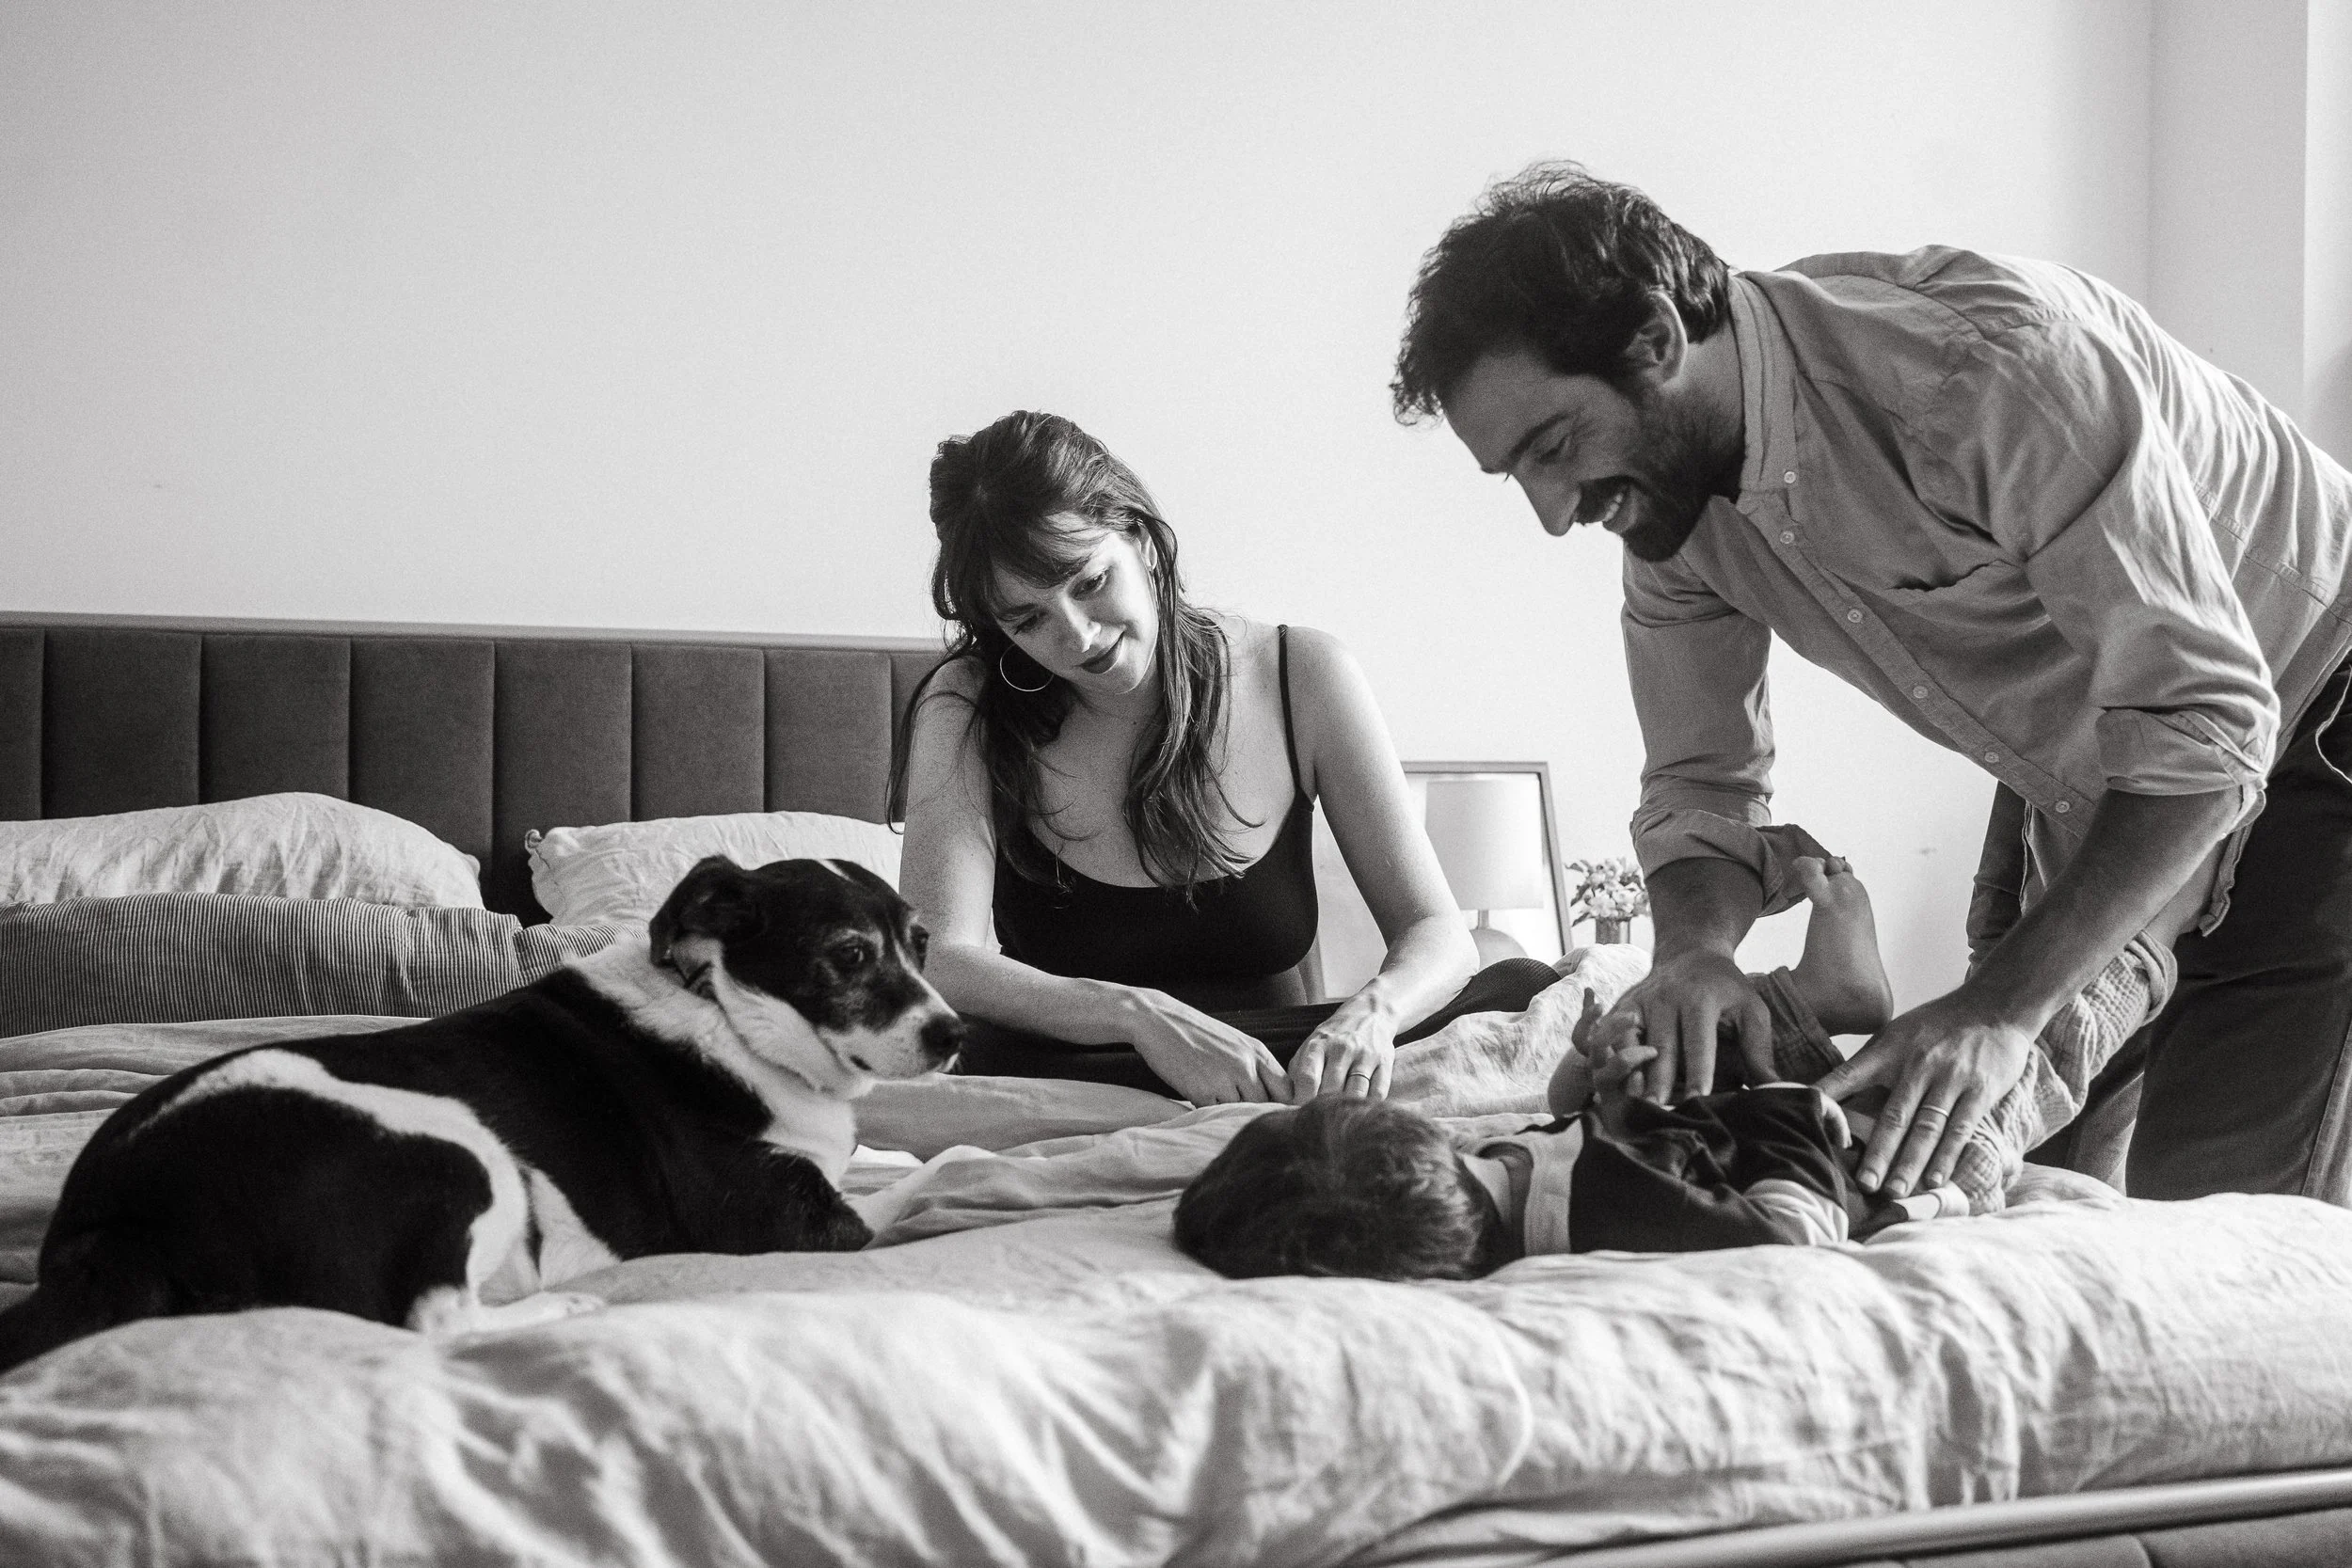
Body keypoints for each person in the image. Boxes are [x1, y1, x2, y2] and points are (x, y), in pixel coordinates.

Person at [1391, 162, 2352, 1208]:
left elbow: (2204, 720)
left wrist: (2001, 1007)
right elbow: (1701, 785)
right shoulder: (1671, 519)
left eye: (1555, 445)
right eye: (1518, 473)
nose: (1552, 513)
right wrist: (1694, 954)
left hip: (2315, 686)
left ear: (1657, 341)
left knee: (2218, 1203)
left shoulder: (1980, 374)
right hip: (2099, 755)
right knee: (1983, 1176)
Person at [894, 410, 1562, 1107]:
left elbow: (1438, 932)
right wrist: (1140, 1015)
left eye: (1089, 582)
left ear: (1141, 540)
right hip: (1077, 1080)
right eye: (1029, 619)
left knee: (1522, 986)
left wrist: (1373, 1014)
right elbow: (935, 957)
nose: (1079, 635)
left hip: (1281, 1068)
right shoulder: (967, 703)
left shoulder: (1302, 674)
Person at [1175, 857, 1963, 1280]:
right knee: (1711, 1054)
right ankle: (1822, 1004)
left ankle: (1820, 998)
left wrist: (1593, 1077)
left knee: (1662, 1035)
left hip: (1693, 1135)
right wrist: (1785, 1100)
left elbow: (1569, 1130)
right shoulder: (1609, 1214)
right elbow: (1792, 1233)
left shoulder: (1501, 1178)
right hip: (1838, 1148)